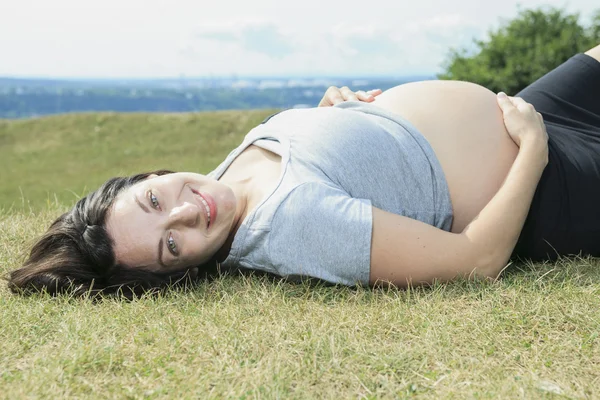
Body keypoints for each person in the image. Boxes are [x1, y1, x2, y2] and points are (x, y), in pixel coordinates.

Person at [6, 44, 600, 298]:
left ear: (142, 179)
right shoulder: (292, 226)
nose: (189, 210)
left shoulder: (226, 178)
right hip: (555, 180)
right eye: (171, 244)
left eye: (154, 202)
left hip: (528, 112)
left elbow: (332, 163)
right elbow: (476, 261)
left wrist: (334, 120)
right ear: (182, 270)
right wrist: (532, 153)